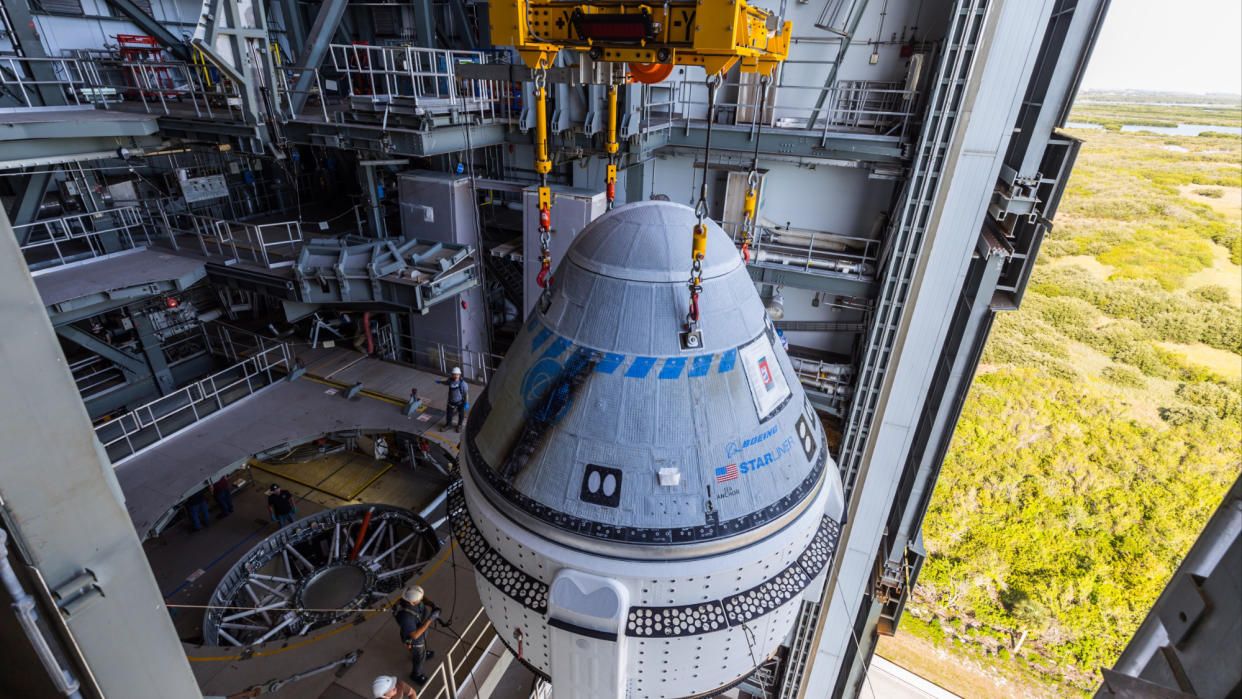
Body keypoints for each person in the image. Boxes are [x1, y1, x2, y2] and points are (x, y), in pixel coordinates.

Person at [394, 585, 439, 685]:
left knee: (422, 649)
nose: (422, 599)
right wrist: (430, 619)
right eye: (419, 599)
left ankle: (423, 652)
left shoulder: (411, 596)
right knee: (419, 657)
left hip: (421, 632)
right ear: (411, 602)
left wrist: (432, 604)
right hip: (415, 642)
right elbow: (414, 635)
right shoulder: (406, 617)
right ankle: (416, 675)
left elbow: (423, 597)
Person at [437, 367, 469, 432]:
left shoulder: (463, 383)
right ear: (452, 374)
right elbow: (446, 382)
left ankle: (459, 425)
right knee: (449, 414)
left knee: (461, 414)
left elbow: (466, 394)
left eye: (457, 374)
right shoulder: (450, 380)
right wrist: (440, 382)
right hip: (451, 401)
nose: (455, 376)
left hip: (460, 402)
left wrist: (466, 403)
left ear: (459, 374)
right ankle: (448, 425)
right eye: (454, 374)